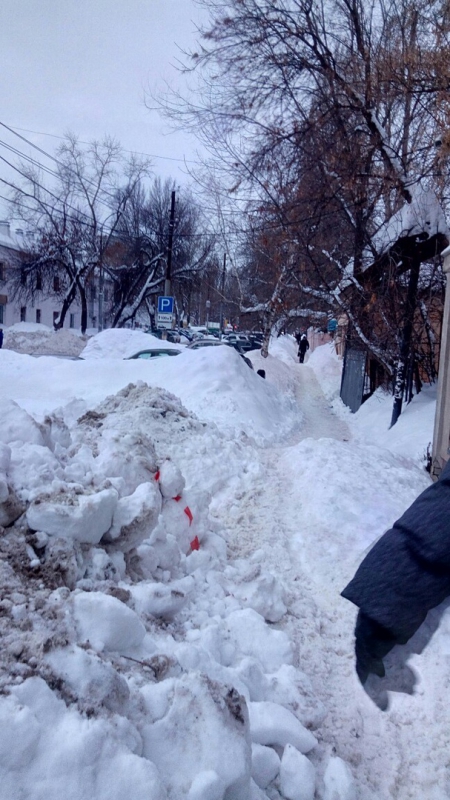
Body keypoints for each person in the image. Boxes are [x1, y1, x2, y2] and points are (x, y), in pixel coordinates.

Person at [341, 458, 450, 686]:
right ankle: (368, 668)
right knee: (379, 626)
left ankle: (370, 660)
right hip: (398, 577)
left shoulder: (441, 492)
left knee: (377, 622)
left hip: (390, 561)